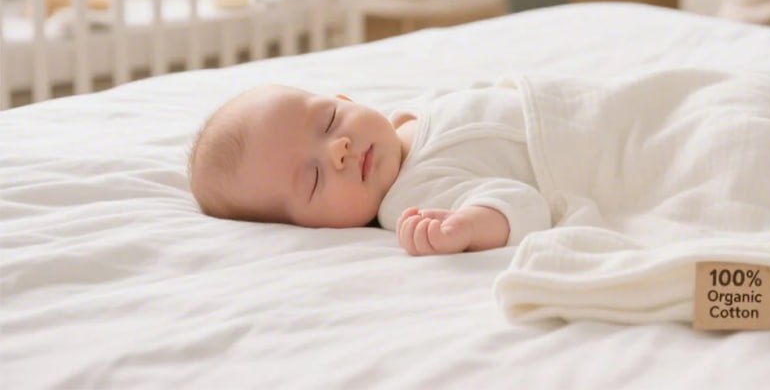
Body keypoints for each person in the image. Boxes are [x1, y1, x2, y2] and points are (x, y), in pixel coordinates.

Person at [188, 84, 548, 256]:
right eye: (314, 178)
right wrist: (468, 226)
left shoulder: (412, 112)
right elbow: (524, 206)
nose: (338, 150)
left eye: (329, 120)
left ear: (345, 100)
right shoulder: (407, 198)